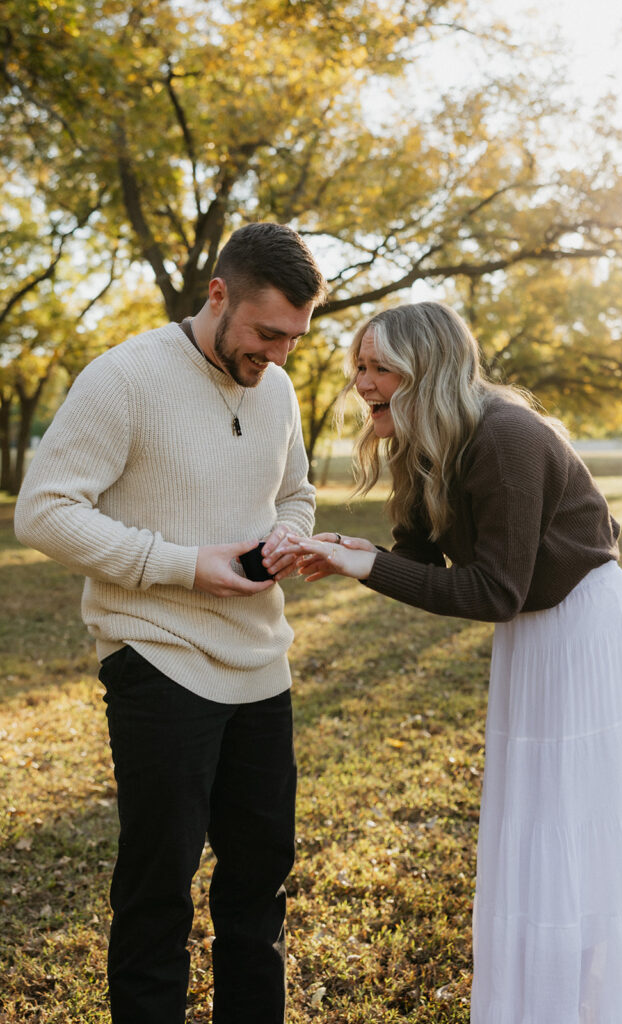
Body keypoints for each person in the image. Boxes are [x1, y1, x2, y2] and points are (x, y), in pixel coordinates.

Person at [281, 301, 622, 1023]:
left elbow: (494, 589)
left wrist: (364, 566)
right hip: (529, 634)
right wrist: (353, 553)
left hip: (581, 628)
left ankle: (601, 1004)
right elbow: (414, 560)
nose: (362, 383)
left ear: (426, 371)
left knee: (576, 820)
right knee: (532, 820)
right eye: (359, 368)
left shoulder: (504, 435)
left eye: (379, 369)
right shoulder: (423, 442)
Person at [14, 222, 328, 1024]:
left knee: (259, 883)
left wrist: (287, 535)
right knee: (159, 888)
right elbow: (44, 513)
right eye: (266, 333)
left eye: (293, 337)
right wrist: (183, 564)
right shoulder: (123, 378)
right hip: (158, 661)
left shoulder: (280, 390)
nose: (278, 356)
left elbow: (294, 492)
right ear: (217, 295)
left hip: (263, 664)